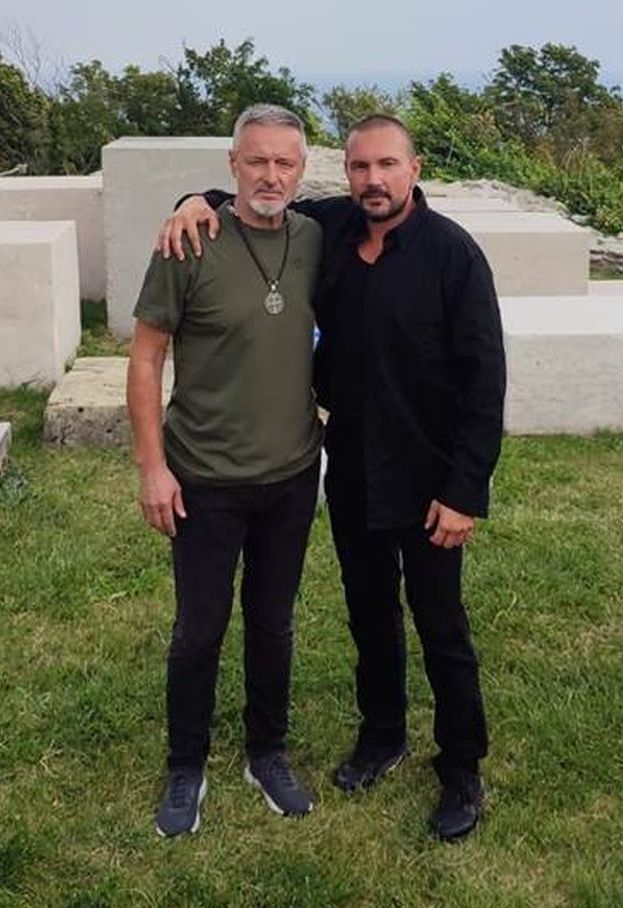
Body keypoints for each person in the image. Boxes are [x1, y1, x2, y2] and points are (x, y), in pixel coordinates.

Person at [159, 114, 505, 841]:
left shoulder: (453, 255)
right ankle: (382, 735)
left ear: (414, 170)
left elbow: (485, 382)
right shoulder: (337, 228)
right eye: (360, 168)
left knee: (441, 627)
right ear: (344, 174)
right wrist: (194, 199)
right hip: (351, 464)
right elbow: (258, 194)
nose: (373, 181)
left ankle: (461, 766)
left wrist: (464, 491)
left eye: (387, 166)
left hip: (430, 476)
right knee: (369, 614)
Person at [127, 104, 324, 837]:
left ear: (301, 170)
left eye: (284, 162)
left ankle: (267, 753)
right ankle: (187, 765)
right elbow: (145, 358)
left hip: (292, 473)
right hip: (203, 477)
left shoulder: (315, 238)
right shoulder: (189, 241)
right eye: (257, 160)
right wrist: (152, 467)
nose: (271, 174)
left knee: (273, 623)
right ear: (232, 164)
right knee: (199, 630)